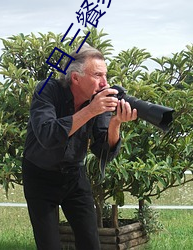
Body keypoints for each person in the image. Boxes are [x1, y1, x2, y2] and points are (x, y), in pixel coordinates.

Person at [22, 44, 137, 250]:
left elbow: (102, 151)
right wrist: (91, 111)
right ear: (75, 78)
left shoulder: (98, 100)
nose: (105, 83)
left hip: (74, 175)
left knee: (91, 243)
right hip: (39, 176)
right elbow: (47, 135)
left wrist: (115, 123)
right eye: (98, 75)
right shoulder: (47, 90)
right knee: (48, 245)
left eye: (106, 75)